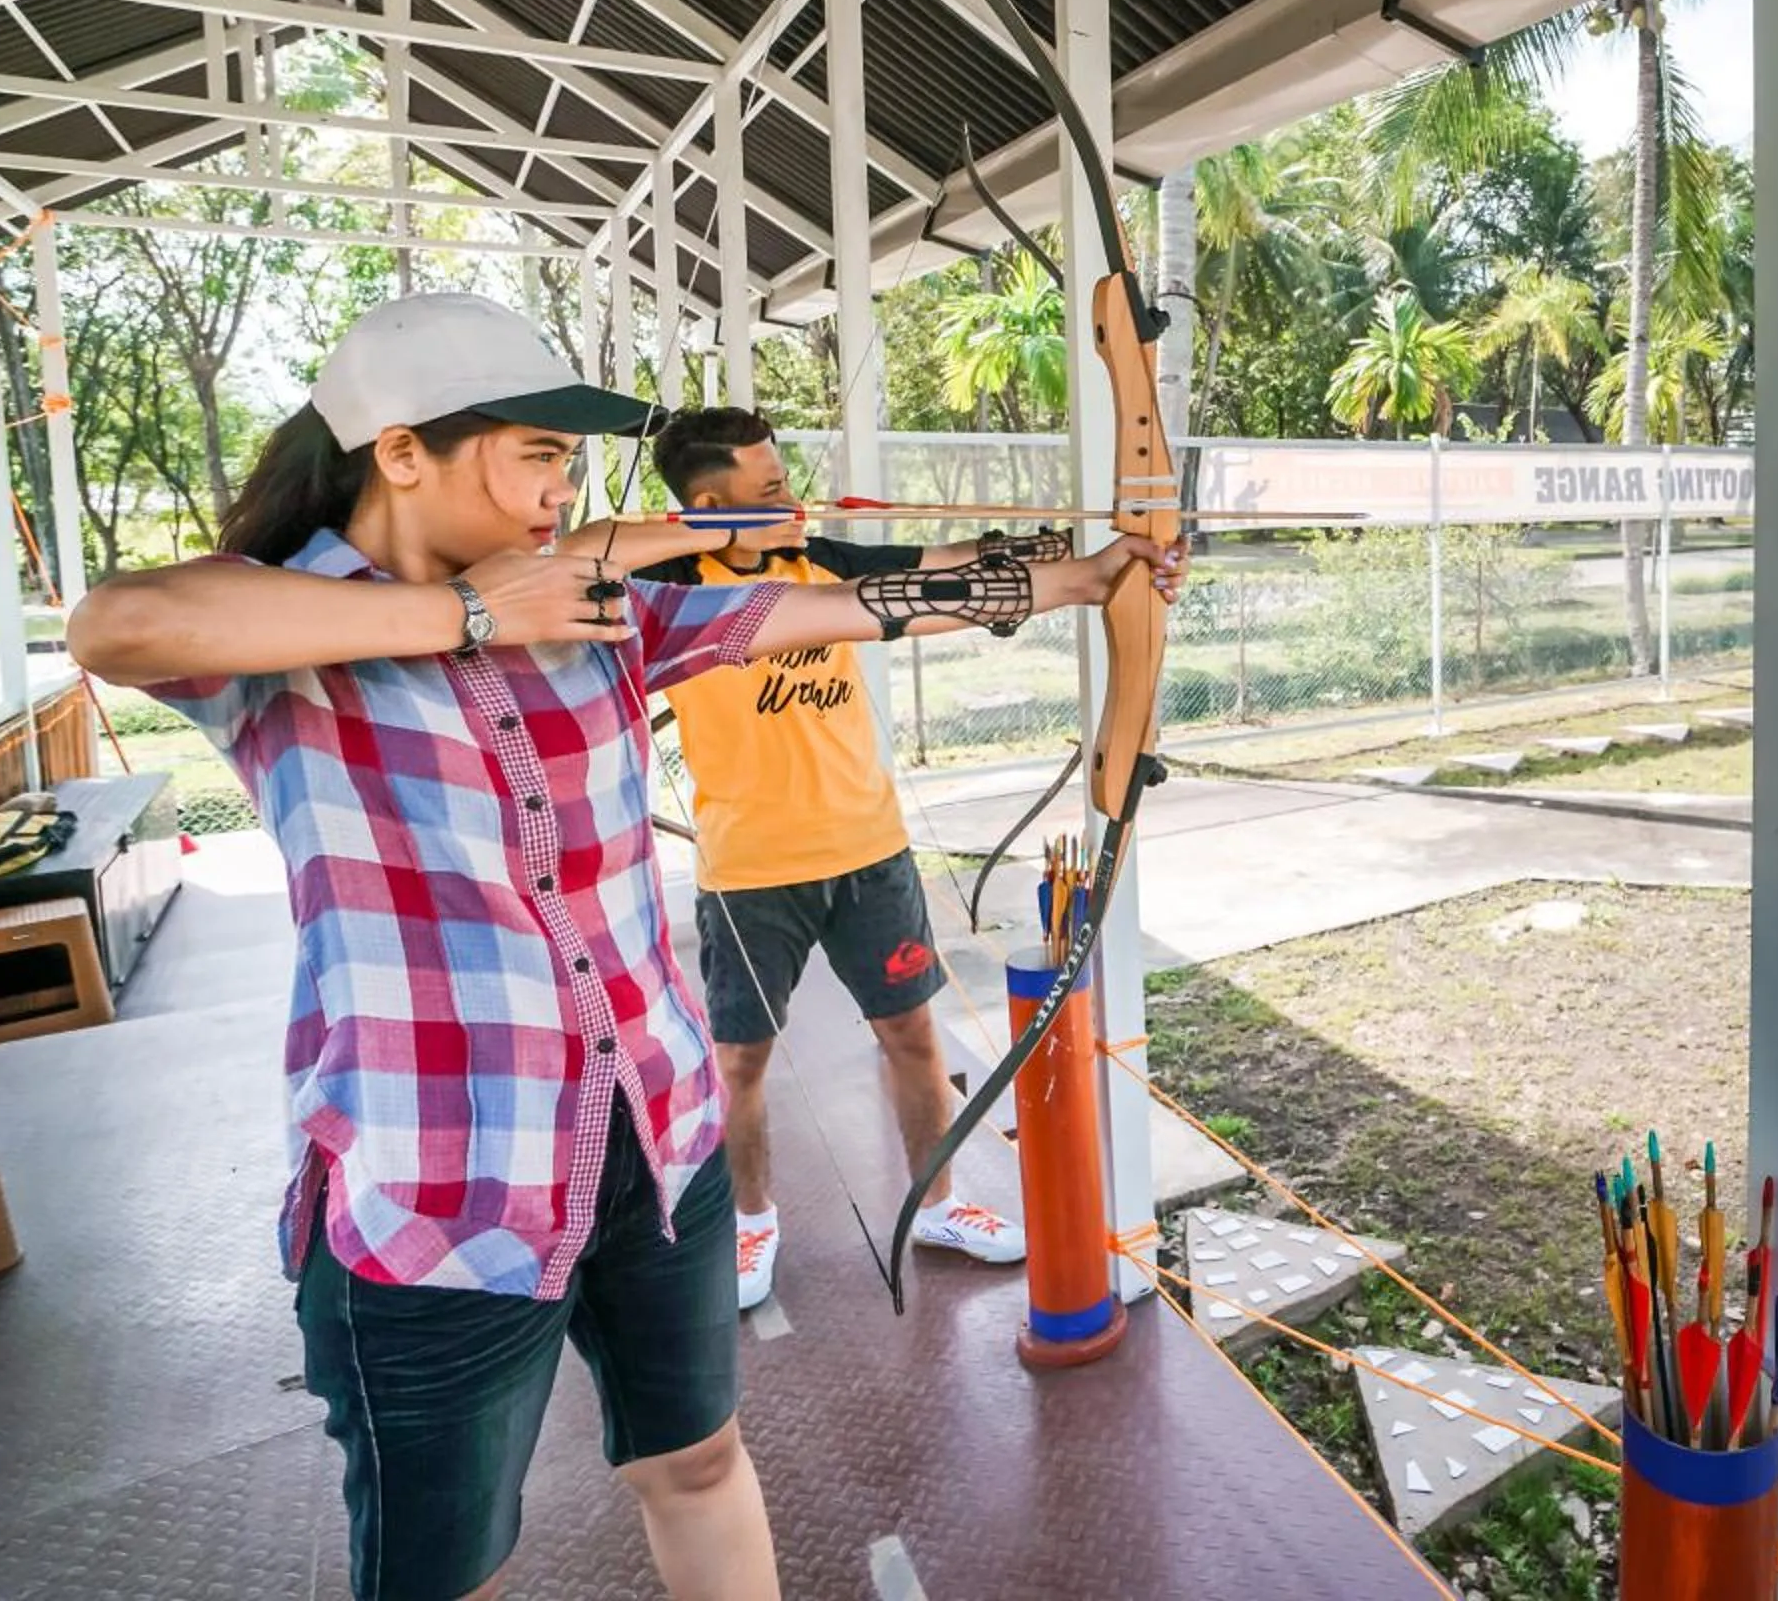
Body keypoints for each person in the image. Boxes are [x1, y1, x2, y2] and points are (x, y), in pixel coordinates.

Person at [67, 293, 1184, 1601]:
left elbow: (855, 606)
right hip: (439, 1192)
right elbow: (117, 628)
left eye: (566, 462)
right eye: (535, 455)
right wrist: (469, 616)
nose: (563, 490)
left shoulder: (608, 615)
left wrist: (1083, 574)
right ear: (403, 452)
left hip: (654, 1143)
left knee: (701, 1464)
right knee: (451, 1572)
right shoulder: (284, 639)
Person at [636, 406, 1047, 1310]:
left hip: (870, 853)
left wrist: (1029, 551)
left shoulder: (821, 564)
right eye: (770, 487)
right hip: (750, 873)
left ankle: (937, 1204)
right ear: (708, 507)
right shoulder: (666, 590)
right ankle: (751, 1224)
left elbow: (939, 571)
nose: (794, 497)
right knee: (739, 1063)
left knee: (911, 1036)